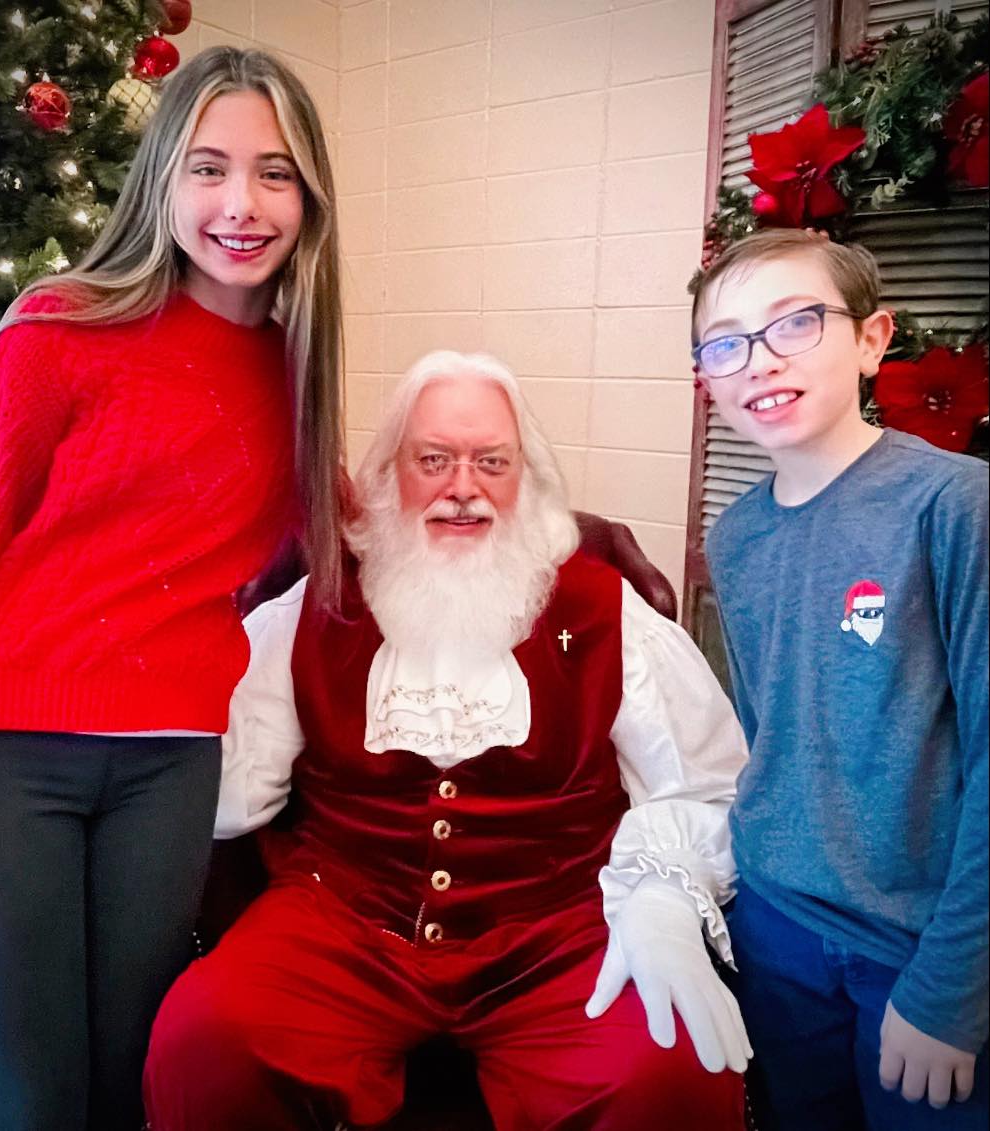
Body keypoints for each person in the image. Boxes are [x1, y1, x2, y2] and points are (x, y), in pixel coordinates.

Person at [0, 47, 344, 1131]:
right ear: (161, 179)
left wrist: (559, 528)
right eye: (210, 168)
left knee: (133, 1080)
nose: (242, 203)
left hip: (169, 769)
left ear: (309, 199)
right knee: (37, 1098)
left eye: (276, 173)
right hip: (12, 762)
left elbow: (360, 526)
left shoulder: (295, 373)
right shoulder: (61, 331)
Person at [143, 350, 752, 1130]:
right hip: (342, 922)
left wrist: (662, 896)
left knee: (672, 1072)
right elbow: (230, 788)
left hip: (559, 931)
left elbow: (706, 784)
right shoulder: (316, 605)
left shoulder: (607, 612)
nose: (463, 488)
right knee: (204, 1040)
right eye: (433, 459)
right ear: (389, 472)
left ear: (522, 475)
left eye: (491, 462)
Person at [691, 228, 989, 1129]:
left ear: (871, 337)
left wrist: (951, 987)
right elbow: (769, 735)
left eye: (795, 324)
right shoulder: (736, 540)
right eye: (724, 342)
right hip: (775, 931)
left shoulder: (954, 506)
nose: (758, 361)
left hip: (919, 945)